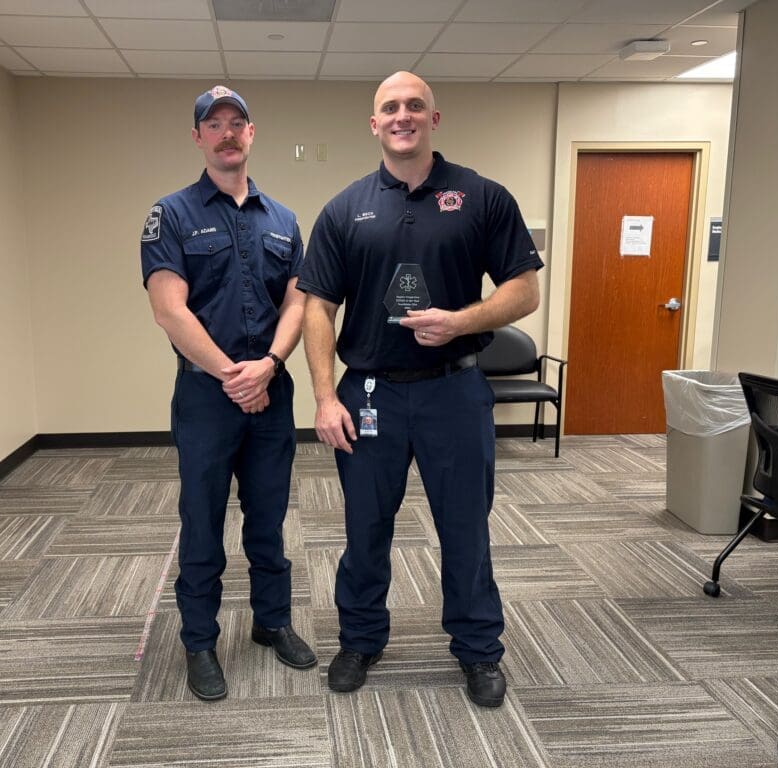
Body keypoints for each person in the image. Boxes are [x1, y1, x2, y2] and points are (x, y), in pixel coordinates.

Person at [297, 72, 542, 708]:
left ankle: (479, 649)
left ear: (434, 118)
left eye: (414, 106)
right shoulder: (346, 208)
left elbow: (524, 289)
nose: (402, 115)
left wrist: (461, 321)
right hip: (369, 395)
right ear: (373, 125)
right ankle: (359, 639)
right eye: (389, 108)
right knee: (365, 526)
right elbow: (317, 306)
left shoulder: (481, 196)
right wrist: (325, 397)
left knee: (465, 527)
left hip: (453, 393)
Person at [140, 85, 315, 702]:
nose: (225, 132)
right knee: (203, 523)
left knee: (268, 519)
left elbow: (298, 301)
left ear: (251, 133)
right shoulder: (172, 214)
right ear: (198, 138)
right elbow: (170, 311)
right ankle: (199, 641)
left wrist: (267, 365)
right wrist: (233, 376)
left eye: (235, 122)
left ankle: (272, 622)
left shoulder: (285, 221)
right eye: (212, 124)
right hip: (207, 399)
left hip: (272, 389)